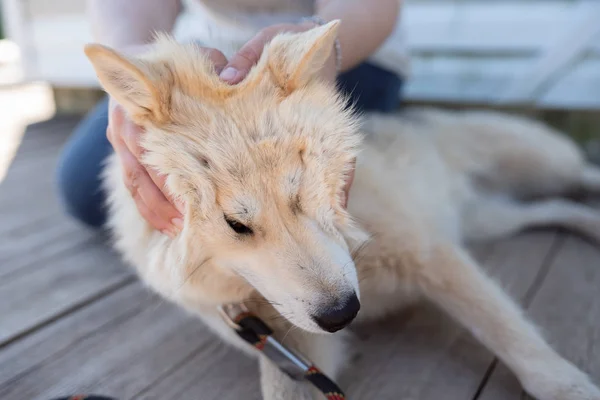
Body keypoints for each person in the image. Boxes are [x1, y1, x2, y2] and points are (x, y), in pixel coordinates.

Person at [56, 0, 408, 237]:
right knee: (86, 188)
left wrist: (328, 49)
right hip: (206, 51)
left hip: (340, 45)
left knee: (308, 195)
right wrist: (136, 59)